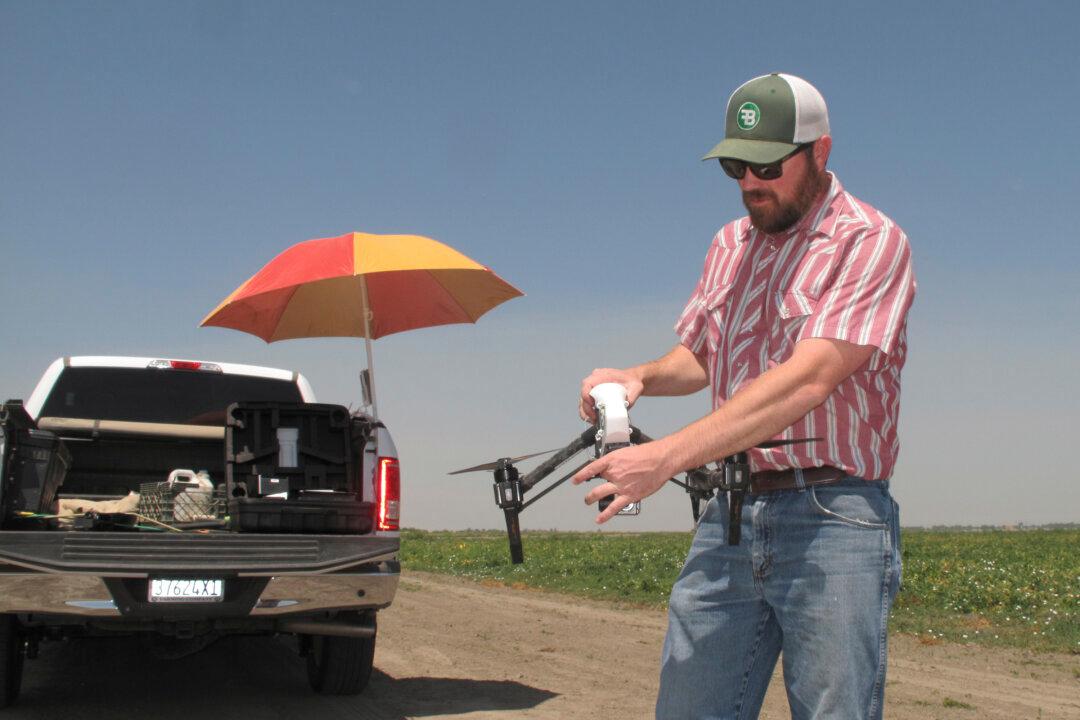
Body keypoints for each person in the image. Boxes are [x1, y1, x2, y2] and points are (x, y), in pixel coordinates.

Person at [572, 73, 915, 720]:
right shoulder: (729, 245)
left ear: (821, 151)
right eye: (735, 164)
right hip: (731, 512)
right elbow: (700, 355)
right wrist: (643, 375)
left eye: (766, 164)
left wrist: (666, 457)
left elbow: (809, 377)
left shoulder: (871, 242)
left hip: (833, 515)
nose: (749, 182)